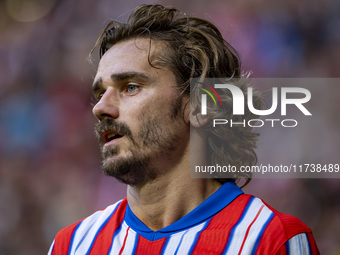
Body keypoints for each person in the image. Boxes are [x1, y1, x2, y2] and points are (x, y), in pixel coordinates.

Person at [48, 4, 320, 254]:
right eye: (100, 93)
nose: (99, 108)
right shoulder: (73, 245)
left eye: (130, 87)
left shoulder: (271, 239)